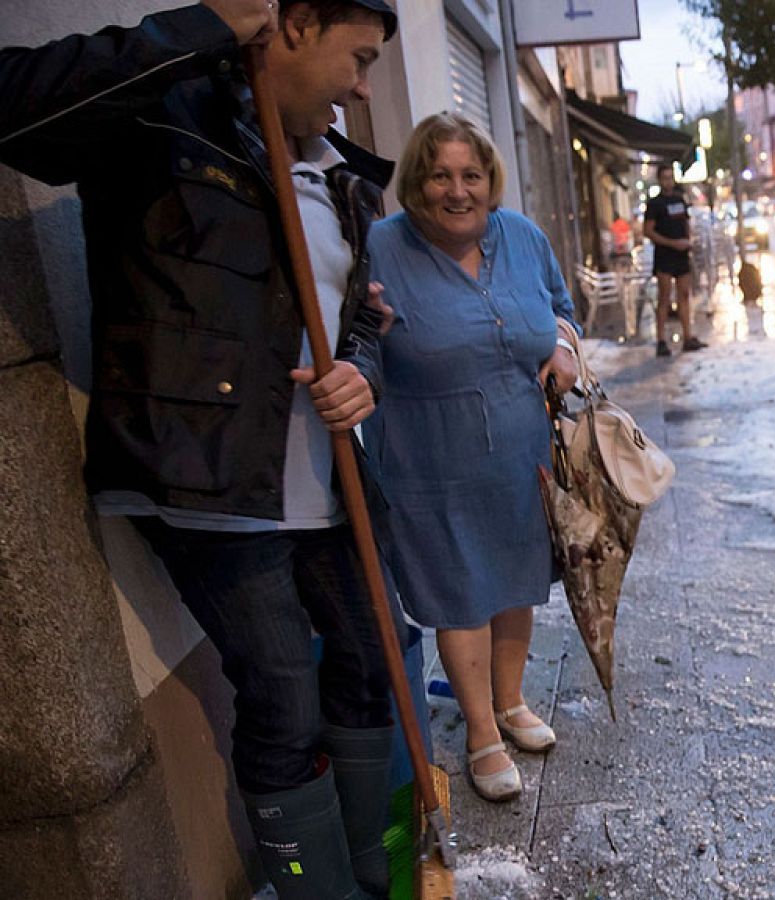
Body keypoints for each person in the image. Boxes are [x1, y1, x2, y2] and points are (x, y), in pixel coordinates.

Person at [0, 1, 400, 897]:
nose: (362, 88)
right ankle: (315, 887)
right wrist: (205, 28)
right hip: (209, 481)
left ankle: (377, 871)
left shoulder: (341, 176)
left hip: (327, 480)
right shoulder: (160, 118)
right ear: (294, 27)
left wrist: (362, 368)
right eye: (359, 57)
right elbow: (18, 110)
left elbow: (362, 315)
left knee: (373, 658)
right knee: (286, 696)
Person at [361, 112, 580, 803]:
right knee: (461, 595)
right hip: (432, 458)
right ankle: (481, 732)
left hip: (522, 449)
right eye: (440, 175)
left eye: (471, 175)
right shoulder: (378, 248)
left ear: (491, 181)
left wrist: (565, 347)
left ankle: (511, 702)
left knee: (517, 584)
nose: (458, 190)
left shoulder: (523, 236)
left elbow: (561, 306)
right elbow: (354, 341)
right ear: (415, 184)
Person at [643, 162, 707, 357]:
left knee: (684, 295)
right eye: (665, 178)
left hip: (681, 255)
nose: (668, 182)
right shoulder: (655, 204)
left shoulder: (680, 199)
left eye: (671, 178)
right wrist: (671, 243)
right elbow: (648, 231)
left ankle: (688, 336)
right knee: (664, 297)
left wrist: (688, 241)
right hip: (664, 255)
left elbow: (686, 223)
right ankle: (661, 340)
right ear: (660, 180)